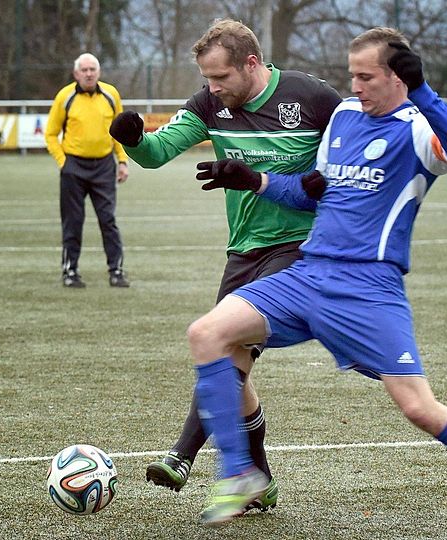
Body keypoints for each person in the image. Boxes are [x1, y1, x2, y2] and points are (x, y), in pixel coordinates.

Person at [185, 27, 447, 539]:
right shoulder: (342, 118)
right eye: (350, 74)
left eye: (365, 76)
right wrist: (256, 180)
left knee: (419, 407)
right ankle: (240, 472)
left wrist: (424, 93)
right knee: (207, 334)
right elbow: (316, 195)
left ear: (398, 76)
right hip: (308, 274)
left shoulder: (418, 130)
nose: (354, 86)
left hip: (368, 290)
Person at [109, 19, 342, 511]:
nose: (212, 89)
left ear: (251, 64)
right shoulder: (208, 106)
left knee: (225, 346)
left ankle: (182, 453)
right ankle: (261, 479)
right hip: (244, 249)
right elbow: (156, 152)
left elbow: (347, 155)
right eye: (207, 80)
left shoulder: (314, 99)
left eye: (221, 78)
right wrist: (132, 139)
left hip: (300, 247)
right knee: (231, 367)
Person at [45, 52, 131, 288]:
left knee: (108, 220)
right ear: (76, 74)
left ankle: (116, 271)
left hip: (104, 167)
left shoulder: (111, 95)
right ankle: (70, 271)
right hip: (74, 167)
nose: (89, 73)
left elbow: (119, 132)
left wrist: (122, 161)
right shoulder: (65, 97)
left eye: (93, 69)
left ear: (99, 72)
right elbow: (51, 134)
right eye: (84, 70)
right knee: (73, 222)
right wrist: (64, 163)